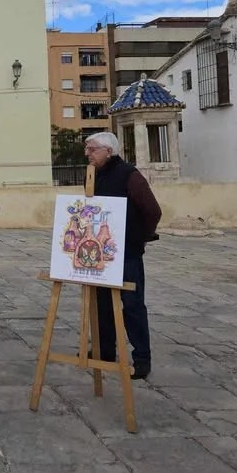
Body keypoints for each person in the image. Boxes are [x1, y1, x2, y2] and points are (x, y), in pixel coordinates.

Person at [85, 131, 162, 380]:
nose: (87, 153)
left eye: (92, 149)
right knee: (103, 305)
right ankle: (105, 351)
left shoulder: (130, 175)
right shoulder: (93, 175)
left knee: (132, 306)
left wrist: (139, 236)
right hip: (100, 254)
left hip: (126, 253)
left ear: (109, 151)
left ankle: (142, 358)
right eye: (87, 149)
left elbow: (152, 211)